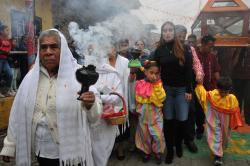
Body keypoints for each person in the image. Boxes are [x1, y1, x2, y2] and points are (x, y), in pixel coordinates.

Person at [0, 29, 102, 166]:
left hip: (72, 156)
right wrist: (10, 146)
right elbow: (17, 114)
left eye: (54, 47)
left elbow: (95, 118)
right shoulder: (31, 78)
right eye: (43, 47)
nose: (48, 52)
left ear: (63, 49)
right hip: (41, 153)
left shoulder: (79, 76)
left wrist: (91, 104)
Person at [151, 21, 193, 164]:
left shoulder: (184, 48)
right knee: (168, 121)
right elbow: (154, 69)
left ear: (174, 32)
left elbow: (188, 71)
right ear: (162, 33)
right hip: (166, 90)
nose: (167, 33)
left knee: (182, 120)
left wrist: (189, 90)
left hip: (182, 90)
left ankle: (179, 145)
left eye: (170, 30)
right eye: (165, 30)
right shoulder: (159, 50)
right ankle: (170, 150)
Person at [90, 45, 125, 166]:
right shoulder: (91, 73)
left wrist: (99, 96)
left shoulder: (114, 74)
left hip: (108, 119)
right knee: (93, 148)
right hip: (93, 118)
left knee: (105, 148)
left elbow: (117, 97)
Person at [195, 77, 243, 166]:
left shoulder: (232, 99)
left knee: (224, 136)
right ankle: (218, 156)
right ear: (217, 88)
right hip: (215, 119)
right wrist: (200, 85)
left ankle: (219, 151)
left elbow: (235, 112)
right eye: (221, 91)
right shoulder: (213, 95)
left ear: (230, 89)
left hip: (226, 122)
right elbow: (203, 96)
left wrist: (234, 123)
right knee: (216, 134)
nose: (223, 94)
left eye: (226, 92)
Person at [175, 25, 204, 153]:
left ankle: (189, 139)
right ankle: (177, 139)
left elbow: (196, 64)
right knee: (174, 114)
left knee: (190, 113)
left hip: (188, 87)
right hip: (172, 87)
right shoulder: (168, 48)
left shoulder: (190, 49)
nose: (182, 36)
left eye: (184, 33)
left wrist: (199, 74)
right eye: (179, 33)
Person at [135, 60, 166, 165]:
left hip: (156, 116)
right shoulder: (140, 83)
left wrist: (157, 85)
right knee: (144, 135)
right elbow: (138, 98)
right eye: (151, 73)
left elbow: (162, 98)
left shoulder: (159, 84)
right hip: (143, 116)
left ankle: (158, 152)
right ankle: (146, 152)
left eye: (156, 73)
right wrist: (137, 110)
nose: (154, 76)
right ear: (145, 72)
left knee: (158, 135)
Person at [109, 43, 130, 160]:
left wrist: (132, 74)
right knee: (107, 125)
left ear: (116, 48)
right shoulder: (101, 60)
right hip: (106, 98)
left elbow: (129, 80)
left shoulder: (125, 61)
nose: (108, 49)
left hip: (120, 98)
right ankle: (109, 147)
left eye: (110, 46)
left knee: (120, 124)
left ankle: (120, 148)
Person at [231, 47, 250, 125]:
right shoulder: (237, 48)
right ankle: (236, 119)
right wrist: (238, 51)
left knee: (248, 98)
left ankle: (248, 119)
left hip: (248, 77)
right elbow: (233, 64)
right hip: (237, 77)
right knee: (237, 99)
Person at [0, 25, 13, 97]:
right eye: (6, 30)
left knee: (10, 74)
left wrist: (4, 51)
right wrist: (4, 51)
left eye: (8, 30)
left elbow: (9, 49)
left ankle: (6, 91)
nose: (8, 32)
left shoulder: (8, 39)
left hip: (4, 60)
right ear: (1, 31)